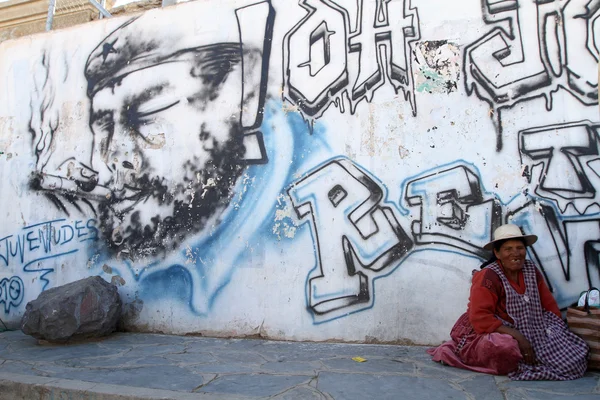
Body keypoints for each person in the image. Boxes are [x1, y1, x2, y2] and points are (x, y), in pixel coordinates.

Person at [428, 224, 589, 380]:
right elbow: (480, 318)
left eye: (520, 248)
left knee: (575, 354)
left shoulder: (531, 270)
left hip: (531, 327)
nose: (516, 253)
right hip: (489, 331)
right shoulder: (488, 276)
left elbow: (548, 304)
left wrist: (557, 331)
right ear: (497, 253)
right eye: (508, 249)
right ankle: (454, 350)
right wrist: (519, 337)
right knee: (506, 348)